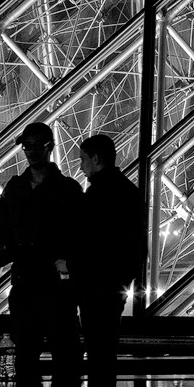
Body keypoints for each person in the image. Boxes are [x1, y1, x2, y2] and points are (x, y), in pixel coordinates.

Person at [0, 121, 85, 370]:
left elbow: (80, 234)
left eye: (36, 146)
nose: (31, 151)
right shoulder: (18, 187)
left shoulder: (66, 189)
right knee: (28, 355)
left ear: (50, 147)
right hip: (27, 282)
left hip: (53, 284)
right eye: (26, 147)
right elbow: (4, 230)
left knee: (62, 355)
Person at [62, 133, 145, 371]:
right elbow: (134, 244)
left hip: (94, 286)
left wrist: (70, 266)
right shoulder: (130, 192)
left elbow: (93, 244)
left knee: (97, 349)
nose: (80, 167)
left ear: (95, 159)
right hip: (117, 284)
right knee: (106, 350)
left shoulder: (97, 194)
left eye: (83, 160)